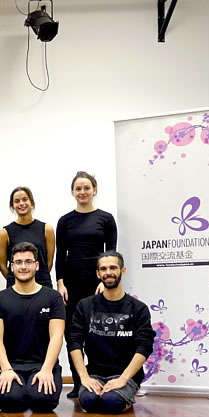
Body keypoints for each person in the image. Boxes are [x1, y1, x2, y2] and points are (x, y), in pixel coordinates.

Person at [67, 251, 155, 413]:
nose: (108, 272)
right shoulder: (85, 306)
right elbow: (74, 341)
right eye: (103, 269)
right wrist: (84, 377)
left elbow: (145, 346)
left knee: (112, 401)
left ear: (123, 271)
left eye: (113, 268)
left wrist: (123, 379)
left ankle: (125, 396)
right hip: (94, 374)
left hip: (125, 375)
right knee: (88, 401)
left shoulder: (138, 308)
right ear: (98, 273)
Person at [56, 171, 118, 398]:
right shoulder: (64, 221)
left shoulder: (106, 219)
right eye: (78, 188)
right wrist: (60, 283)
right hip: (71, 285)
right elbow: (60, 256)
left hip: (96, 284)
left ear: (94, 190)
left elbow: (111, 254)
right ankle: (78, 382)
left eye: (86, 188)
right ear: (73, 192)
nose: (82, 192)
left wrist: (104, 282)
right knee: (73, 334)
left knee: (97, 333)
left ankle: (100, 379)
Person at [0, 242, 65, 413]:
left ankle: (31, 389)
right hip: (11, 365)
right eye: (19, 262)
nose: (23, 266)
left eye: (28, 262)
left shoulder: (53, 298)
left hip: (43, 364)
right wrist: (6, 369)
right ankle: (21, 389)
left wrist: (47, 370)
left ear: (36, 266)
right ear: (12, 267)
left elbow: (57, 336)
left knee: (43, 401)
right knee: (10, 401)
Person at [0, 186, 55, 288]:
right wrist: (20, 279)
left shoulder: (47, 229)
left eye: (25, 199)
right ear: (12, 206)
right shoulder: (4, 233)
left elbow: (48, 264)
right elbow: (2, 266)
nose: (21, 203)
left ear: (31, 202)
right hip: (15, 286)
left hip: (42, 283)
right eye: (17, 201)